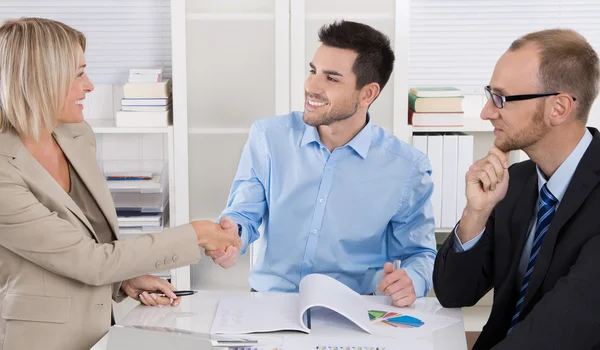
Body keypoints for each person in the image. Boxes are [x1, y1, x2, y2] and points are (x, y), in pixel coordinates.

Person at [0, 18, 241, 350]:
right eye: (78, 75)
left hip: (102, 330)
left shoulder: (76, 135)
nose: (90, 86)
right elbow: (91, 260)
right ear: (39, 80)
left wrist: (125, 280)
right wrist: (197, 233)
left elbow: (85, 242)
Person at [207, 20, 437, 305]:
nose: (311, 86)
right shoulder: (268, 137)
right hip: (270, 303)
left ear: (368, 93)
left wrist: (412, 280)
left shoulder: (407, 168)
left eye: (331, 78)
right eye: (313, 71)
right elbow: (243, 214)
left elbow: (421, 254)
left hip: (355, 308)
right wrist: (233, 235)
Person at [433, 28, 600, 349]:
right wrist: (475, 213)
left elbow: (560, 331)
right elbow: (454, 293)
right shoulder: (518, 181)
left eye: (501, 99)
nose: (486, 112)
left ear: (559, 108)